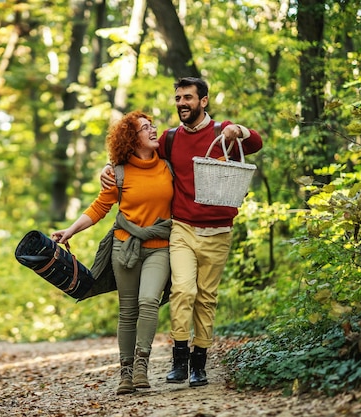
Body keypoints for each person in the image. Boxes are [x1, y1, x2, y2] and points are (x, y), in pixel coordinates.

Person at [101, 77, 263, 387]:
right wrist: (108, 167)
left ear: (203, 101)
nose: (182, 103)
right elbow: (135, 155)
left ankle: (199, 362)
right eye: (178, 98)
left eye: (188, 97)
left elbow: (255, 142)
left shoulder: (222, 132)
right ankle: (179, 359)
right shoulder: (170, 139)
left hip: (219, 230)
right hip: (183, 228)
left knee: (206, 298)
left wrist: (239, 131)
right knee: (183, 291)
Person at [52, 111, 173, 395]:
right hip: (124, 247)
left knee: (149, 301)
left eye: (152, 125)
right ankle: (126, 372)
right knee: (128, 310)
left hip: (160, 247)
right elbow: (98, 208)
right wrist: (69, 230)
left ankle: (142, 364)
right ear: (133, 139)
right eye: (146, 128)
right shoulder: (117, 174)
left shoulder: (168, 167)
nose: (153, 130)